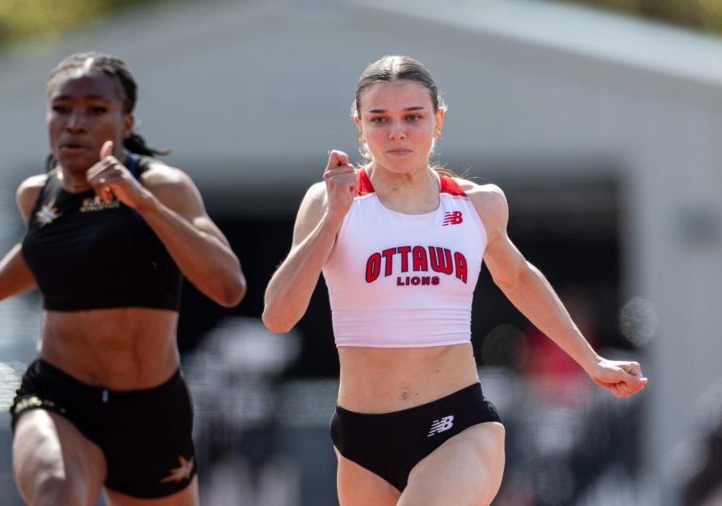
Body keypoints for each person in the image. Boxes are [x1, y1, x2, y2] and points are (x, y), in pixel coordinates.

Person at [262, 55, 647, 506]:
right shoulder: (330, 203)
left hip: (456, 426)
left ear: (438, 120)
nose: (397, 131)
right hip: (361, 437)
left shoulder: (475, 206)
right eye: (379, 119)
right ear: (359, 126)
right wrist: (332, 218)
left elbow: (521, 279)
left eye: (413, 117)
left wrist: (591, 361)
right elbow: (278, 317)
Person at [0, 53, 246, 506]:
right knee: (57, 493)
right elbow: (42, 253)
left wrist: (140, 202)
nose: (75, 122)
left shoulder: (162, 185)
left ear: (125, 121)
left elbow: (228, 287)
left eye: (96, 109)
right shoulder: (36, 193)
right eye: (61, 108)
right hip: (60, 394)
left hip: (148, 407)